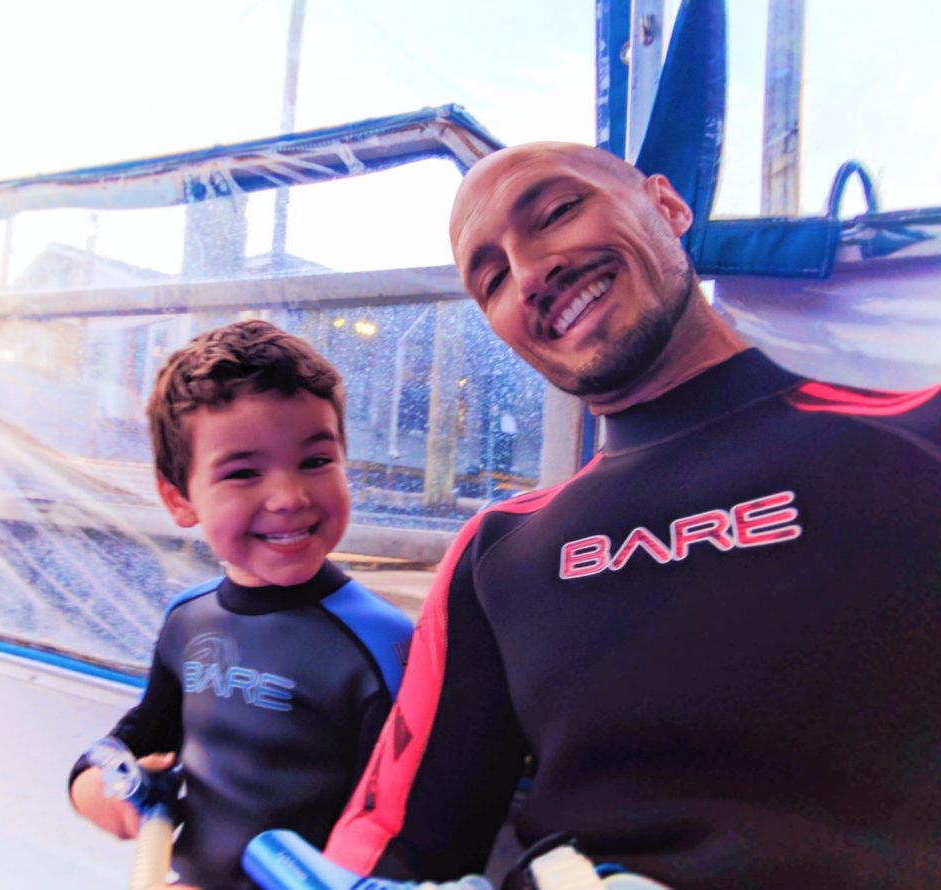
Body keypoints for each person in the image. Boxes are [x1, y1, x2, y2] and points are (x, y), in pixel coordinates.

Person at [312, 143, 941, 889]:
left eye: (556, 212)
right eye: (493, 279)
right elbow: (391, 842)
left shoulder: (919, 440)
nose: (529, 273)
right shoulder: (497, 553)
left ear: (667, 207)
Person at [68, 319, 413, 890]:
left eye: (315, 461)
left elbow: (400, 833)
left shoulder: (382, 643)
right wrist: (93, 779)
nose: (289, 497)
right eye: (244, 472)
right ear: (179, 498)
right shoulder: (189, 620)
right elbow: (139, 736)